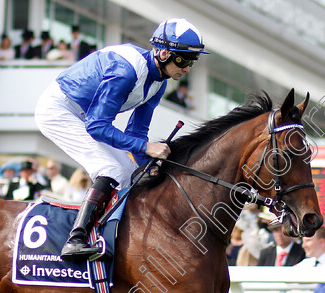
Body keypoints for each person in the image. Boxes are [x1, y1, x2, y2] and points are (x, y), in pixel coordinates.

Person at [35, 18, 207, 260]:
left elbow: (136, 133)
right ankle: (75, 240)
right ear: (164, 52)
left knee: (128, 170)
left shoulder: (158, 84)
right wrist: (147, 148)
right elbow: (97, 126)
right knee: (110, 168)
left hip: (85, 115)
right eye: (183, 59)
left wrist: (147, 164)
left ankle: (108, 235)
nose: (187, 68)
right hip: (59, 109)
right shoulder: (126, 71)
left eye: (192, 61)